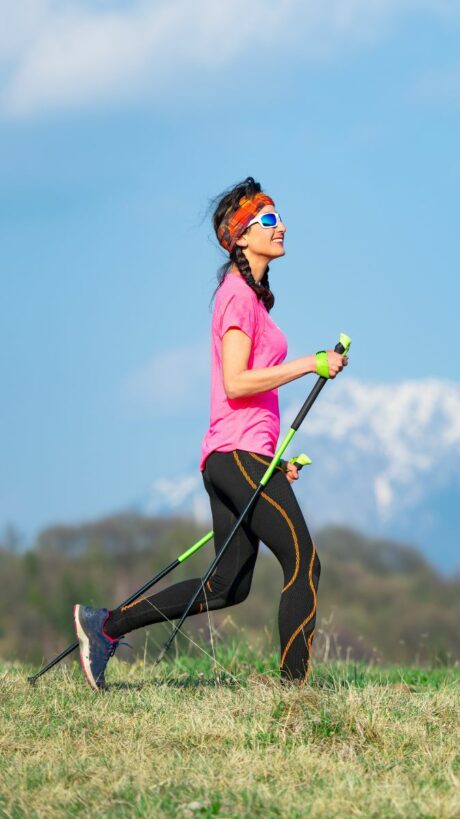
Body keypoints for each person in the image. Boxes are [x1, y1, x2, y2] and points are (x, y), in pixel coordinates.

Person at [73, 177, 347, 690]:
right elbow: (237, 381)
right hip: (236, 454)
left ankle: (104, 625)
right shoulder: (238, 296)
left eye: (278, 217)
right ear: (241, 235)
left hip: (238, 455)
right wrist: (309, 363)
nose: (281, 225)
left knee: (227, 585)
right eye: (268, 220)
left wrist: (272, 459)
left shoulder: (252, 300)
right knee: (304, 563)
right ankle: (295, 696)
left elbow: (244, 395)